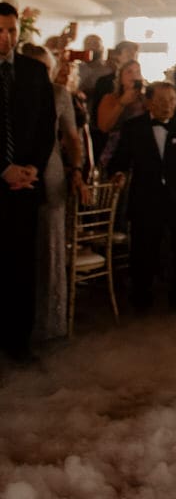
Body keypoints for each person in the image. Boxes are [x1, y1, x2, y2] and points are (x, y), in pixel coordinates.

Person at [110, 82, 176, 312]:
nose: (168, 105)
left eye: (172, 100)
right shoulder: (133, 127)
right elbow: (120, 160)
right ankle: (141, 300)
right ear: (148, 102)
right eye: (162, 100)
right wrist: (118, 173)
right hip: (146, 197)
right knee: (143, 250)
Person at [0, 2, 56, 363]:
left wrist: (33, 167)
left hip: (26, 185)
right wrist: (2, 168)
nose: (6, 38)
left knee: (21, 266)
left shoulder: (34, 72)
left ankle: (19, 341)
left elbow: (45, 125)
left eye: (11, 30)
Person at [22, 45, 82, 340]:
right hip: (16, 174)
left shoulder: (59, 95)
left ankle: (49, 322)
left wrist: (77, 170)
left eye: (45, 68)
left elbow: (72, 137)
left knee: (51, 247)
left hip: (51, 173)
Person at [96, 58, 147, 169]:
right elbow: (104, 127)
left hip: (142, 148)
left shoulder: (146, 100)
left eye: (137, 72)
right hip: (116, 149)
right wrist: (121, 104)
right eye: (129, 72)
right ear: (121, 78)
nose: (134, 75)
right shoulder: (110, 98)